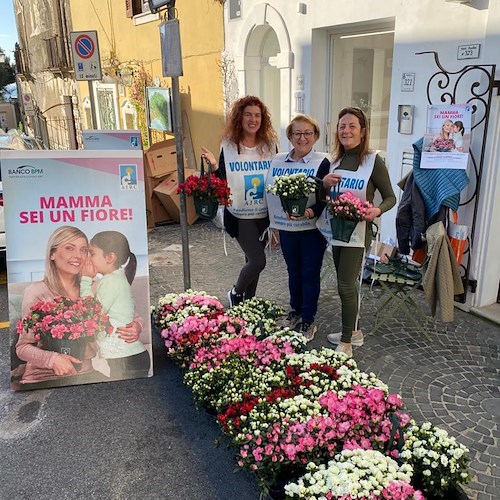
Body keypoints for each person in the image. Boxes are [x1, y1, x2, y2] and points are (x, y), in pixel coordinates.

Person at [14, 226, 142, 389]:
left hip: (86, 375)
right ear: (52, 254)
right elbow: (22, 348)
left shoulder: (94, 287)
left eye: (84, 250)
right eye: (69, 248)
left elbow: (125, 312)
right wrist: (53, 359)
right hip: (42, 379)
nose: (78, 256)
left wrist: (137, 325)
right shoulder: (37, 291)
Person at [318, 107, 396, 357]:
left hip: (358, 233)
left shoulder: (373, 161)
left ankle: (346, 342)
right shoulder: (334, 161)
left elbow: (390, 197)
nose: (346, 130)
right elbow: (323, 197)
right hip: (336, 230)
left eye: (352, 126)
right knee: (346, 284)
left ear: (362, 132)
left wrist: (377, 211)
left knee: (345, 285)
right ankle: (355, 332)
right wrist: (323, 185)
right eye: (342, 126)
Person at [201, 96, 278, 306]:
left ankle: (248, 305)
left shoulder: (269, 146)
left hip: (263, 214)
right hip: (239, 213)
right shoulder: (229, 145)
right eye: (248, 115)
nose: (253, 120)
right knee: (258, 261)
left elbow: (276, 177)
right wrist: (215, 165)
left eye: (257, 115)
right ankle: (236, 293)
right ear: (240, 118)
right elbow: (222, 180)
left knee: (251, 260)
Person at [265, 114, 330, 341]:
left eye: (307, 133)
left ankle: (309, 319)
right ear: (290, 136)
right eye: (297, 133)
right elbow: (271, 194)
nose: (302, 138)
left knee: (309, 273)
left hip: (313, 230)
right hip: (286, 229)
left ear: (315, 136)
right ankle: (295, 310)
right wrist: (273, 225)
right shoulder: (279, 160)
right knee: (293, 271)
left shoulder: (322, 162)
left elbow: (325, 197)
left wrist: (311, 212)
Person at [81, 231, 150, 380]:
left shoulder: (110, 281)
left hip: (126, 359)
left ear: (110, 257)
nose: (87, 259)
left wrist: (85, 279)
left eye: (91, 253)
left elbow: (91, 313)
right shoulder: (115, 278)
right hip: (126, 358)